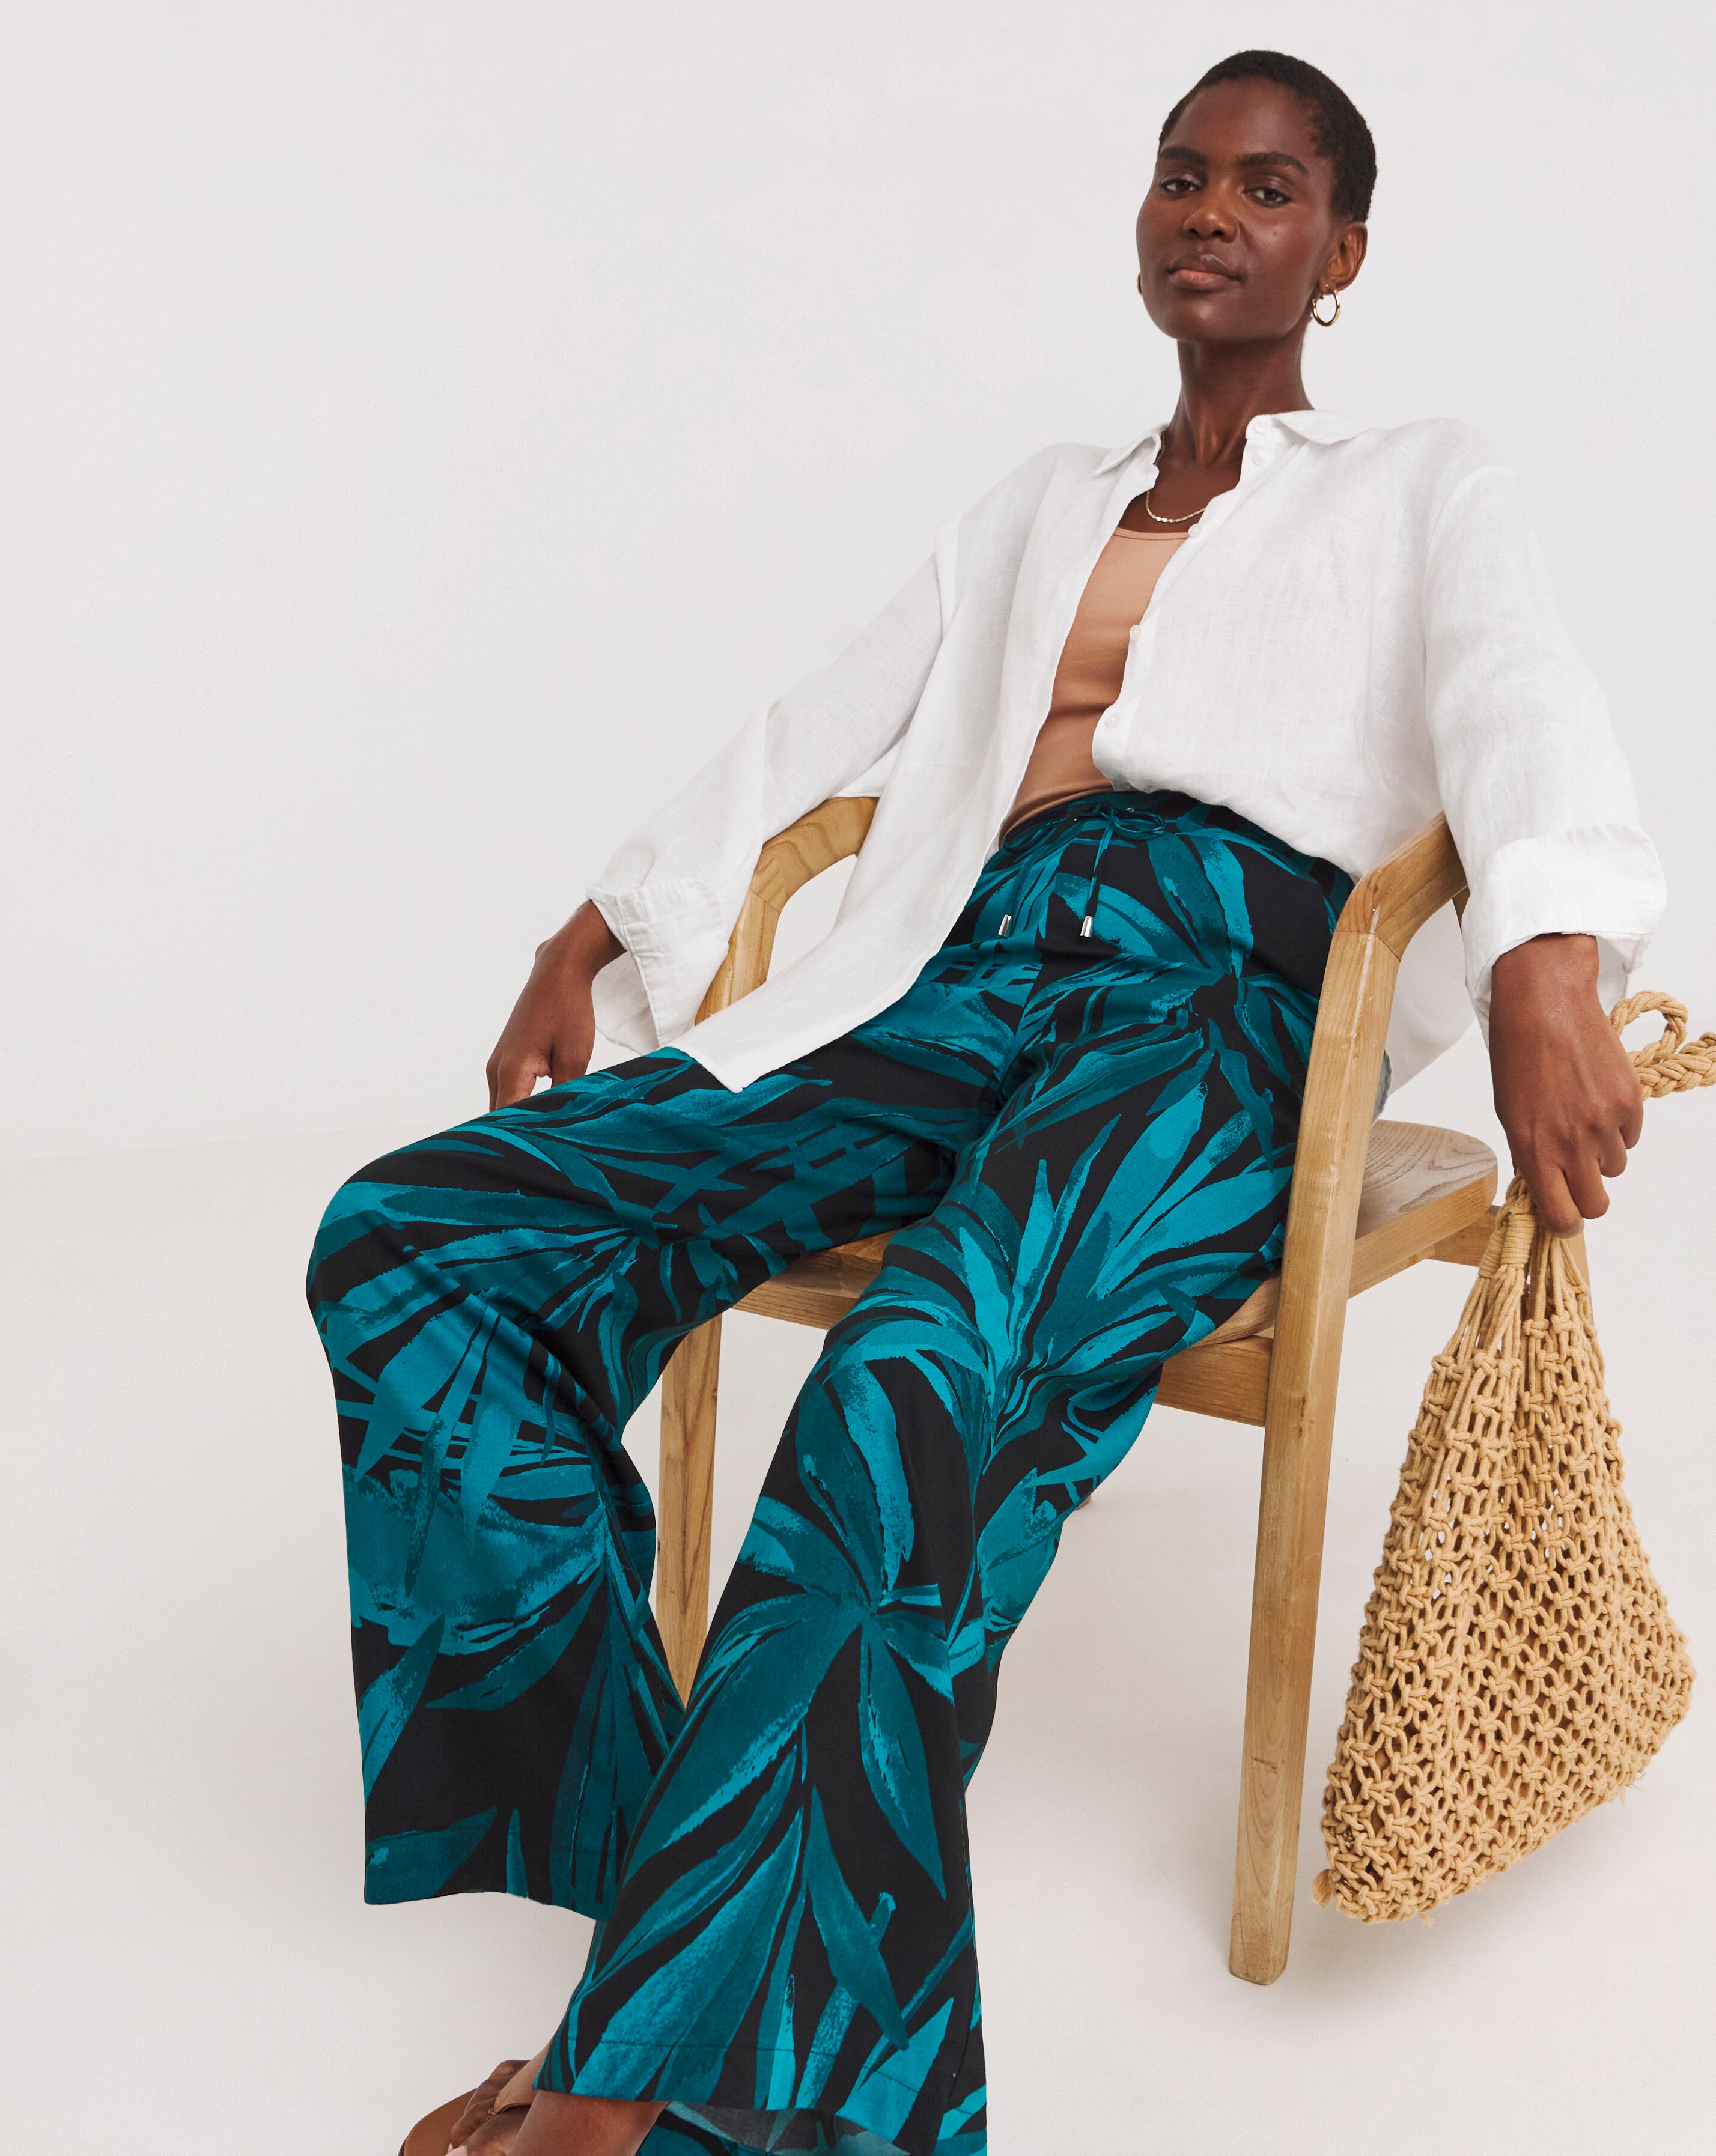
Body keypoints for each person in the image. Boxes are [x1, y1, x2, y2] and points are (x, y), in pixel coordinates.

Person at [307, 49, 1661, 2156]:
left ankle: (635, 2086)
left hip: (1205, 1022)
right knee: (424, 1241)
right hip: (947, 979)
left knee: (913, 1389)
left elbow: (1517, 702)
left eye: (1270, 187)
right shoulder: (1042, 500)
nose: (1212, 212)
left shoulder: (1417, 483)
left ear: (1343, 251)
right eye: (1183, 175)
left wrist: (1549, 965)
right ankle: (674, 1894)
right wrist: (596, 928)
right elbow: (823, 719)